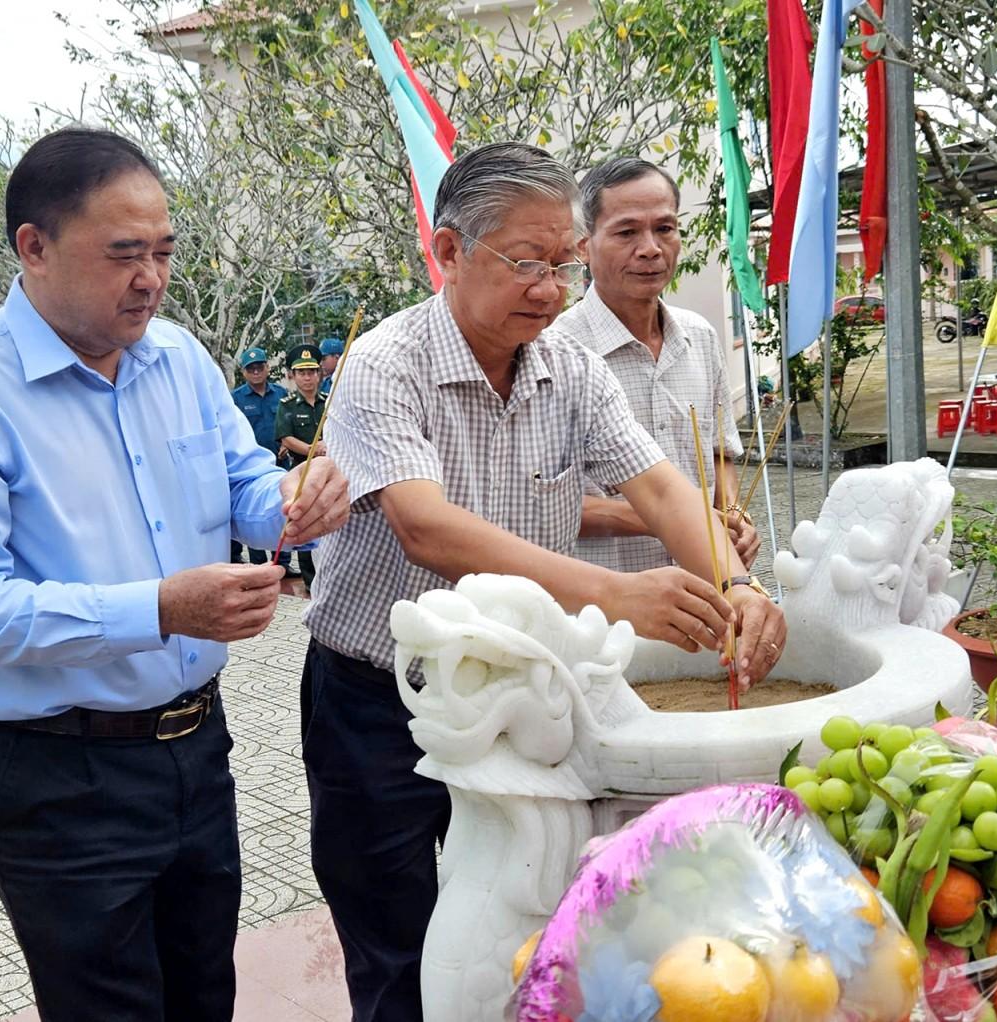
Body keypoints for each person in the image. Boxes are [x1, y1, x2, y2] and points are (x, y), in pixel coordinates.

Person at [301, 141, 787, 1022]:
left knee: (539, 920)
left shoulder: (568, 367)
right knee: (397, 943)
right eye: (526, 262)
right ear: (446, 253)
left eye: (561, 264)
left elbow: (662, 485)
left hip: (532, 691)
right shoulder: (385, 362)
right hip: (381, 698)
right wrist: (617, 595)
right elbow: (428, 528)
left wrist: (741, 583)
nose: (550, 288)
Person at [0, 126, 351, 1021]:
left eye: (165, 252)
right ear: (34, 246)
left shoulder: (176, 358)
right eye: (124, 254)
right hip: (59, 772)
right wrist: (162, 608)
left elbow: (240, 478)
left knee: (204, 991)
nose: (152, 278)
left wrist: (292, 500)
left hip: (194, 750)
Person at [552, 157, 760, 572]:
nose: (650, 248)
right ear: (583, 245)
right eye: (627, 232)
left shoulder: (699, 337)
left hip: (708, 587)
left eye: (664, 228)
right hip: (611, 607)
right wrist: (678, 520)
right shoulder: (556, 354)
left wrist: (733, 514)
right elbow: (541, 504)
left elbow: (719, 454)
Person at [229, 345, 293, 572]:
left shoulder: (281, 394)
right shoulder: (235, 398)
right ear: (244, 372)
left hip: (280, 461)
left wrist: (287, 442)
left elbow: (289, 422)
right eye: (251, 369)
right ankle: (259, 564)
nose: (256, 372)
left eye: (260, 367)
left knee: (283, 508)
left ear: (267, 368)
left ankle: (284, 563)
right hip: (251, 465)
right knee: (254, 509)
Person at [275, 342, 325, 590]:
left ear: (319, 374)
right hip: (301, 471)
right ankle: (310, 579)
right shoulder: (287, 404)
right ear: (293, 376)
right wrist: (311, 449)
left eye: (312, 372)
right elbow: (285, 437)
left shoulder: (328, 401)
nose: (307, 377)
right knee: (305, 523)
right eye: (302, 373)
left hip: (328, 470)